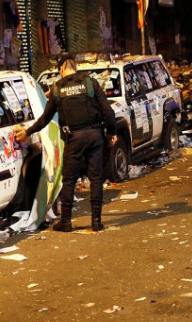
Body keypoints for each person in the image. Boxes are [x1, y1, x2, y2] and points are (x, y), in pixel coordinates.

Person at [14, 55, 116, 232]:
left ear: (61, 69)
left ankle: (66, 222)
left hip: (74, 138)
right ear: (74, 67)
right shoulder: (91, 83)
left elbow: (45, 118)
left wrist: (27, 132)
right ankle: (97, 222)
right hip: (94, 135)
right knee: (96, 178)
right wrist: (112, 133)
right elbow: (108, 111)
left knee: (69, 179)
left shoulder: (58, 89)